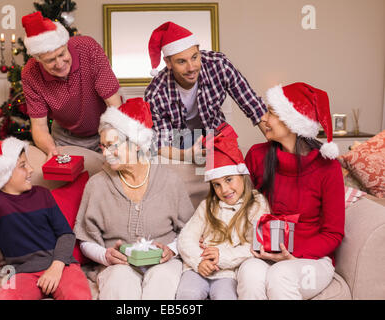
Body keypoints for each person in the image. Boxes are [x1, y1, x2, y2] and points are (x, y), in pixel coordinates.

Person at [73, 98, 195, 299]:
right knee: (120, 284)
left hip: (162, 263)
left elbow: (191, 230)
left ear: (136, 144)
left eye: (112, 145)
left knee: (161, 284)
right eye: (102, 146)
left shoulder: (170, 180)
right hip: (118, 265)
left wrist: (171, 250)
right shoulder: (97, 185)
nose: (106, 153)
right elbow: (85, 239)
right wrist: (105, 255)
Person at [237, 82, 345, 300]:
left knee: (280, 274)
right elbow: (238, 206)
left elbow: (334, 234)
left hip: (313, 261)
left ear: (293, 121)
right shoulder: (257, 156)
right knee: (249, 272)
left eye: (272, 112)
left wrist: (292, 254)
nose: (264, 118)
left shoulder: (328, 167)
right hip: (266, 253)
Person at [0, 137, 91, 300]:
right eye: (23, 166)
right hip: (23, 274)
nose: (31, 169)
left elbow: (66, 234)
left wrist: (57, 266)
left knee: (79, 296)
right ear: (5, 173)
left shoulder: (43, 195)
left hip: (62, 266)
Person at [144, 21, 267, 162]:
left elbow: (254, 106)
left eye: (195, 57)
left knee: (231, 167)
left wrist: (277, 141)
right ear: (168, 63)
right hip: (178, 140)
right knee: (185, 174)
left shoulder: (219, 65)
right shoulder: (155, 94)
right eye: (182, 62)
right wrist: (188, 155)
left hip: (215, 130)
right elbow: (162, 145)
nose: (191, 68)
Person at [175, 123, 270, 300]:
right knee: (187, 294)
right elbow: (186, 238)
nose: (224, 190)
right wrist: (198, 261)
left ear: (242, 175)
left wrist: (222, 256)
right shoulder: (208, 205)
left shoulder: (257, 205)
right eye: (216, 184)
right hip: (196, 268)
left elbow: (256, 247)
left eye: (229, 180)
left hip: (227, 272)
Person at [21, 11, 121, 158]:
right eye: (50, 60)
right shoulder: (30, 74)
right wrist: (52, 151)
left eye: (62, 54)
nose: (60, 64)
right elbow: (39, 127)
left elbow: (114, 104)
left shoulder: (88, 49)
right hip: (65, 136)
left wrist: (114, 137)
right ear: (38, 60)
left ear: (66, 44)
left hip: (106, 124)